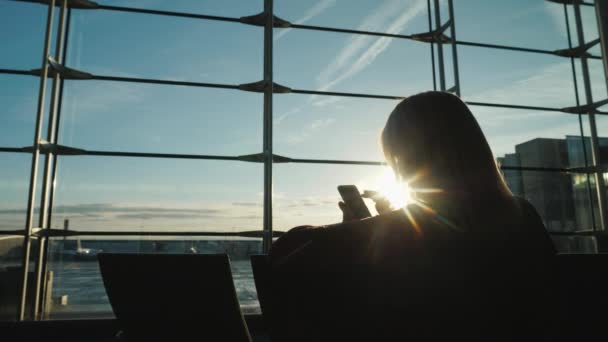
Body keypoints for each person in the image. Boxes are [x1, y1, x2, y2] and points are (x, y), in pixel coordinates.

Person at [267, 91, 557, 341]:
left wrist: (363, 228)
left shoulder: (402, 229)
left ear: (406, 159)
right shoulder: (524, 215)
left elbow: (287, 250)